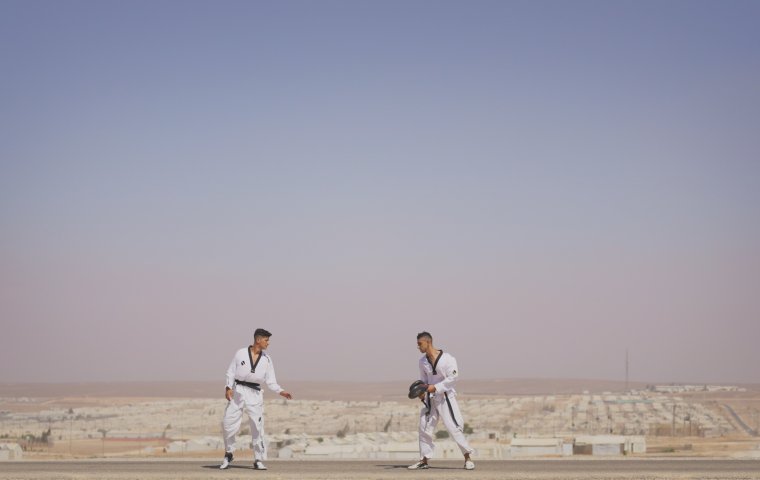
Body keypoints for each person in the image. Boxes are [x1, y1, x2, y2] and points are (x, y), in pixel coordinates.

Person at [219, 328, 292, 470]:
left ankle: (258, 459)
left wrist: (281, 391)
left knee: (257, 427)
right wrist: (228, 387)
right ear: (258, 340)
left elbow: (271, 381)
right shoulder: (240, 353)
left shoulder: (267, 359)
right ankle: (229, 454)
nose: (268, 343)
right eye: (266, 340)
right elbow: (230, 372)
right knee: (228, 423)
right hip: (238, 392)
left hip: (255, 394)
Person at [408, 331, 475, 470]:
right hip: (430, 399)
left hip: (445, 398)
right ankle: (424, 461)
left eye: (420, 344)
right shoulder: (422, 362)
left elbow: (453, 378)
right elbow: (424, 381)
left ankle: (468, 458)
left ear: (428, 342)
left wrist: (435, 387)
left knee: (454, 428)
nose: (418, 347)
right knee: (424, 428)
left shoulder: (448, 359)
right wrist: (421, 393)